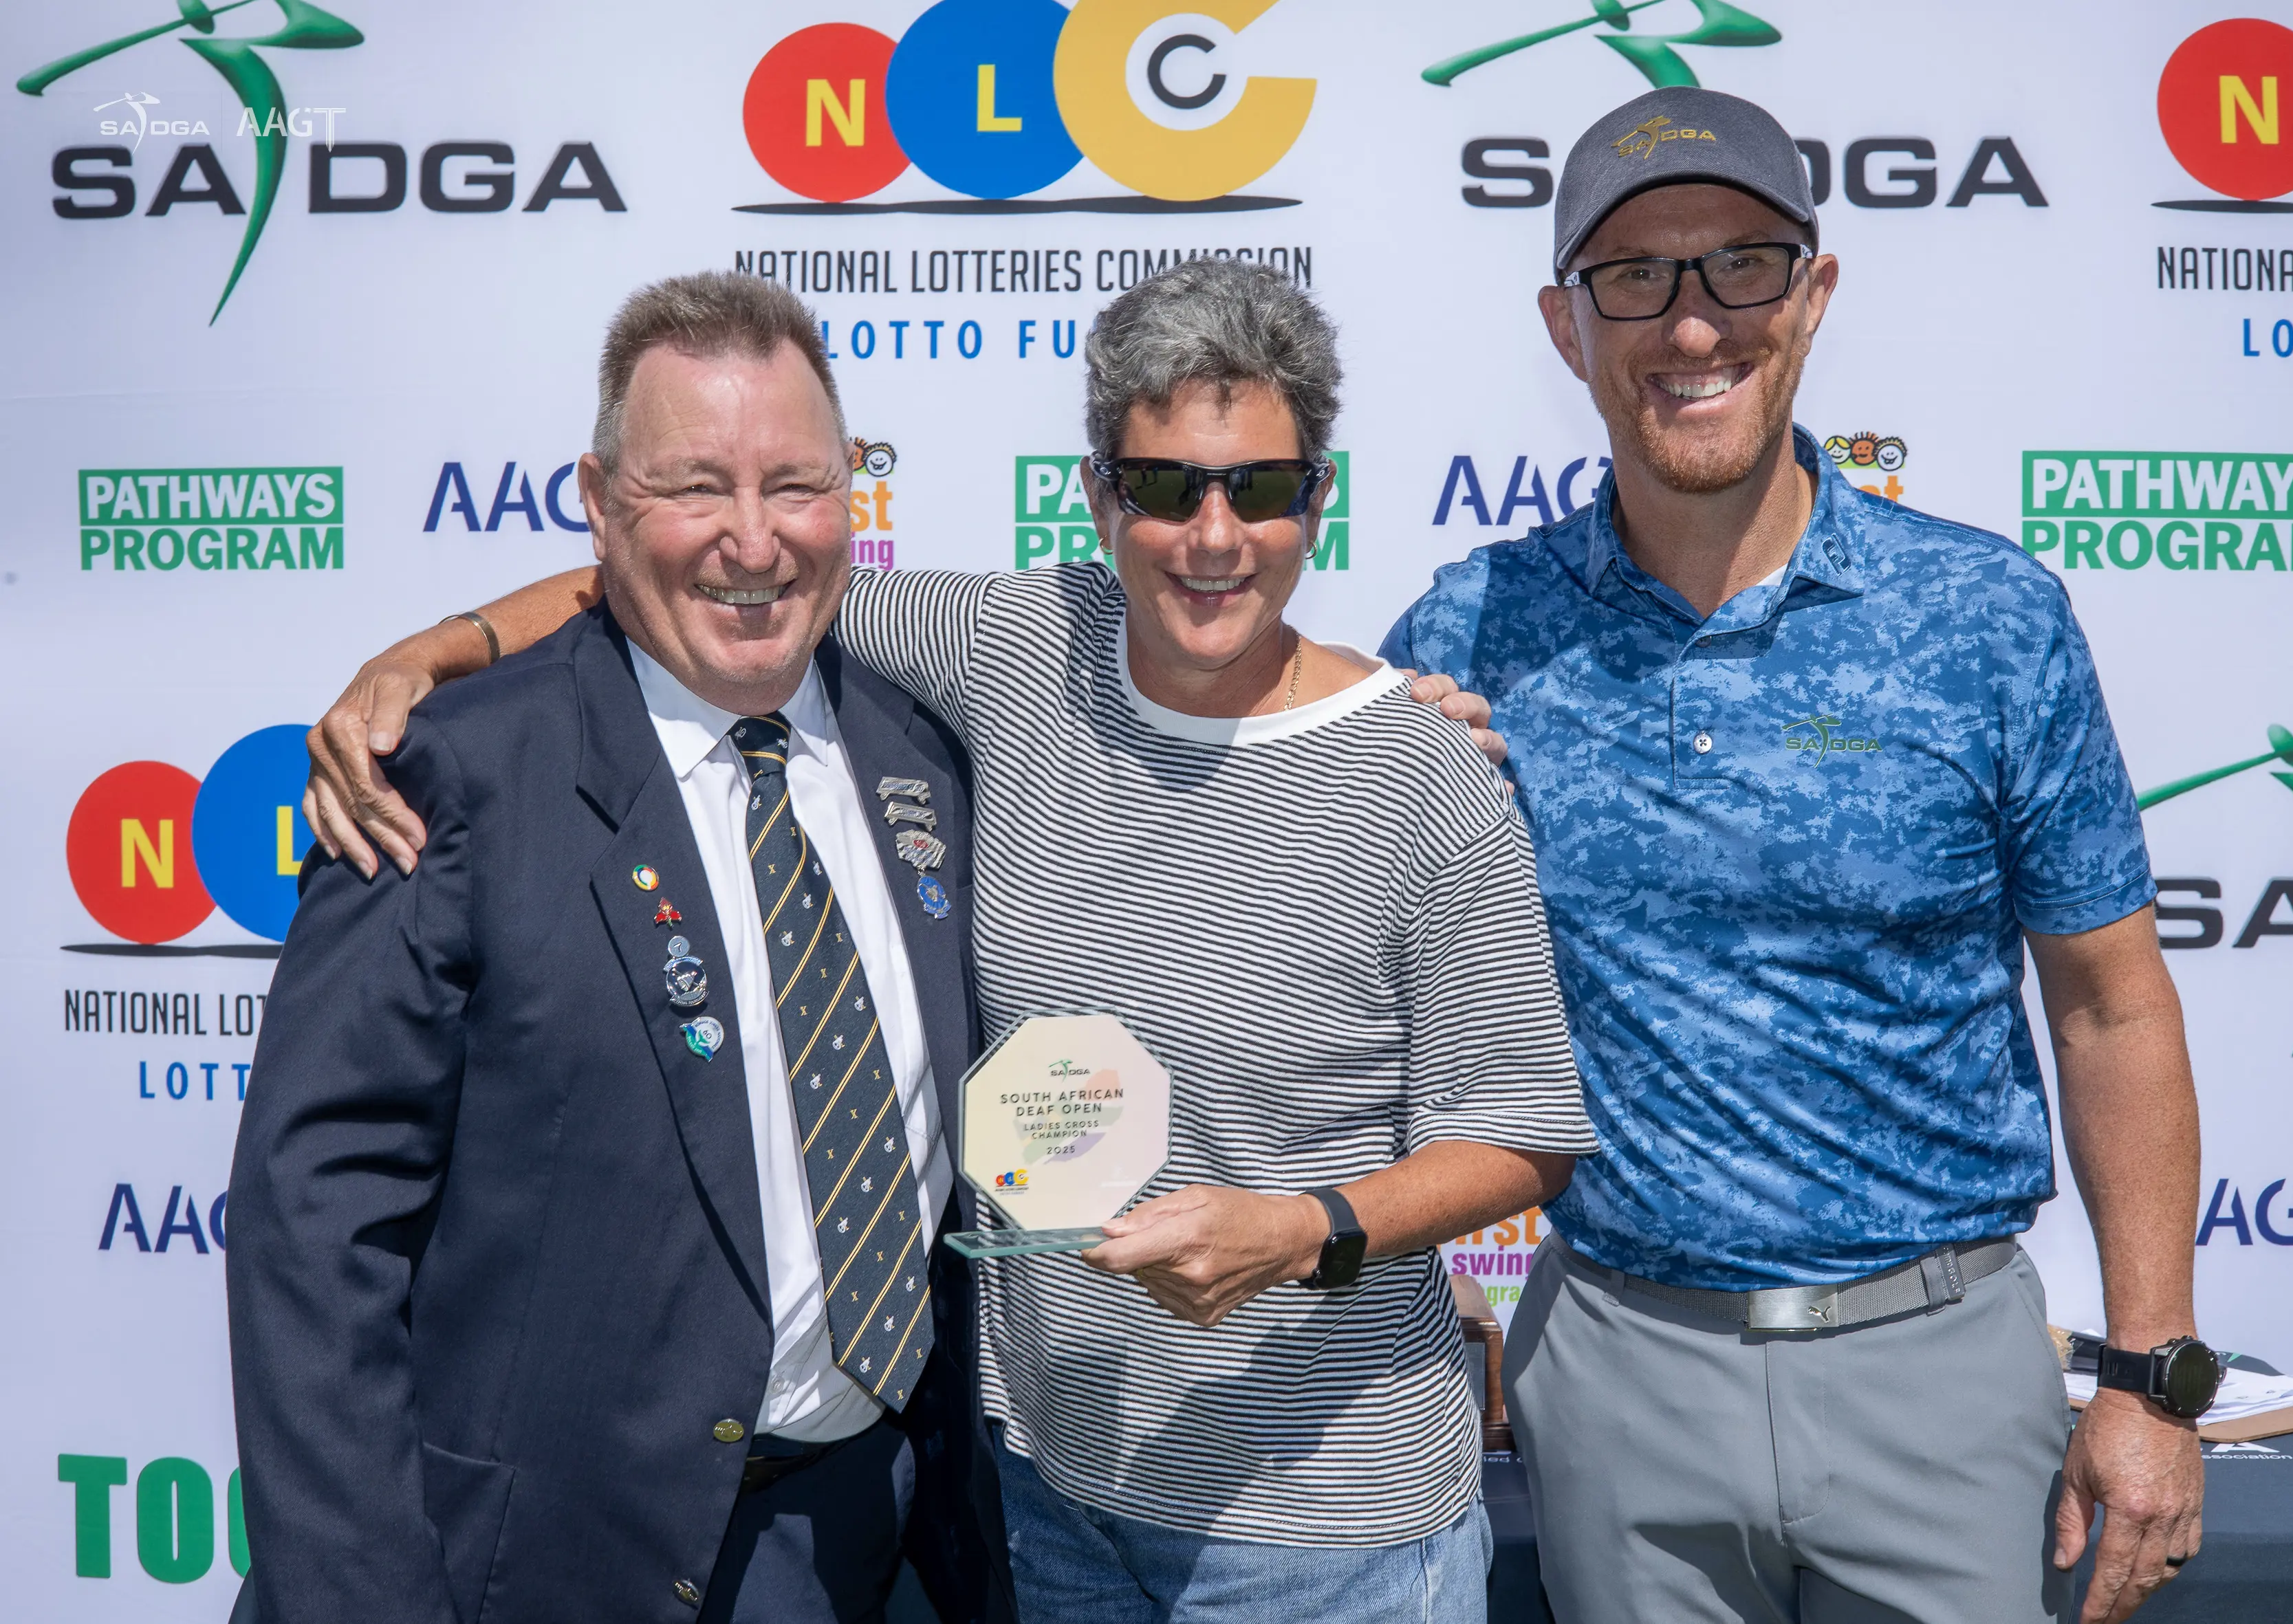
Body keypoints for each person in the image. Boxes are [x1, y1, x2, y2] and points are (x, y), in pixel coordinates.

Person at [298, 257, 1594, 1624]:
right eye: (1165, 487)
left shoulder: (1422, 773)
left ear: (1315, 497)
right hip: (1036, 1502)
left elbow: (1521, 1132)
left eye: (1260, 487)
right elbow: (721, 575)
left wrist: (1303, 1230)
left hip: (1325, 1538)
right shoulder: (1018, 641)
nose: (1214, 536)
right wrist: (435, 653)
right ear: (1100, 497)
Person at [1380, 88, 2208, 1624]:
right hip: (1617, 1370)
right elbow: (1360, 999)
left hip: (1943, 1375)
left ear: (1813, 296)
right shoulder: (1466, 635)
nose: (1690, 326)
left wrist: (2152, 1370)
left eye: (1739, 266)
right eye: (1634, 277)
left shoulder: (1986, 618)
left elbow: (2111, 1005)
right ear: (1567, 326)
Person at [228, 272, 1012, 1624]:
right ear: (597, 502)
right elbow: (314, 1232)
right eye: (695, 487)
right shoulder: (445, 784)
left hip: (865, 1543)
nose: (754, 542)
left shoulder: (923, 756)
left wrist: (1369, 720)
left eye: (798, 484)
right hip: (532, 1567)